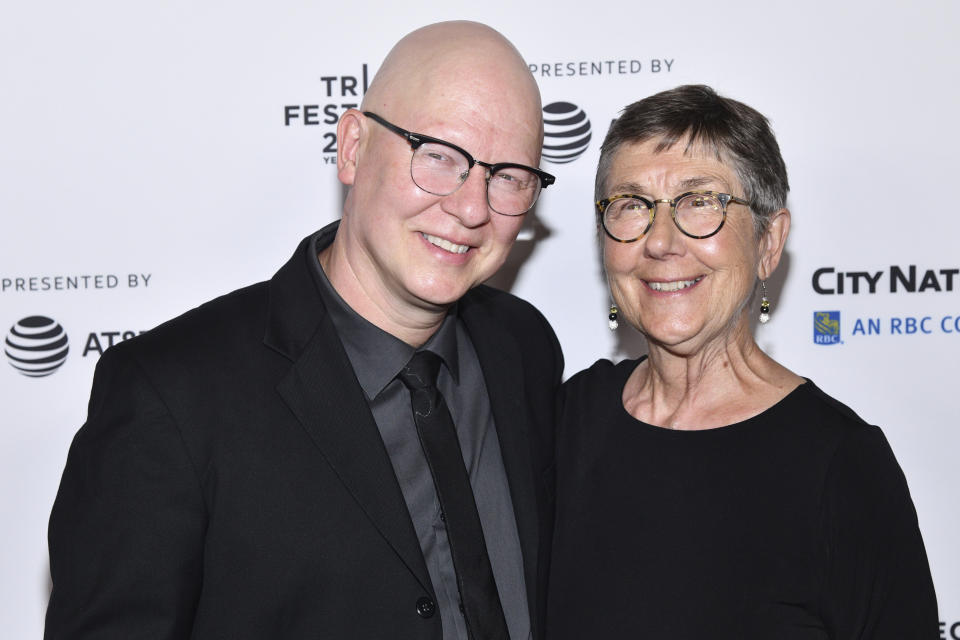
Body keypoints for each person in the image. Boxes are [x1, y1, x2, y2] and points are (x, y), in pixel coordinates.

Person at [45, 21, 562, 640]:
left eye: (508, 175)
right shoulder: (170, 396)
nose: (472, 207)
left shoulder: (523, 347)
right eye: (440, 157)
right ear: (352, 147)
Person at [546, 85, 938, 639]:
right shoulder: (562, 423)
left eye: (699, 201)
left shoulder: (841, 464)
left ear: (769, 241)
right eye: (632, 204)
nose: (661, 242)